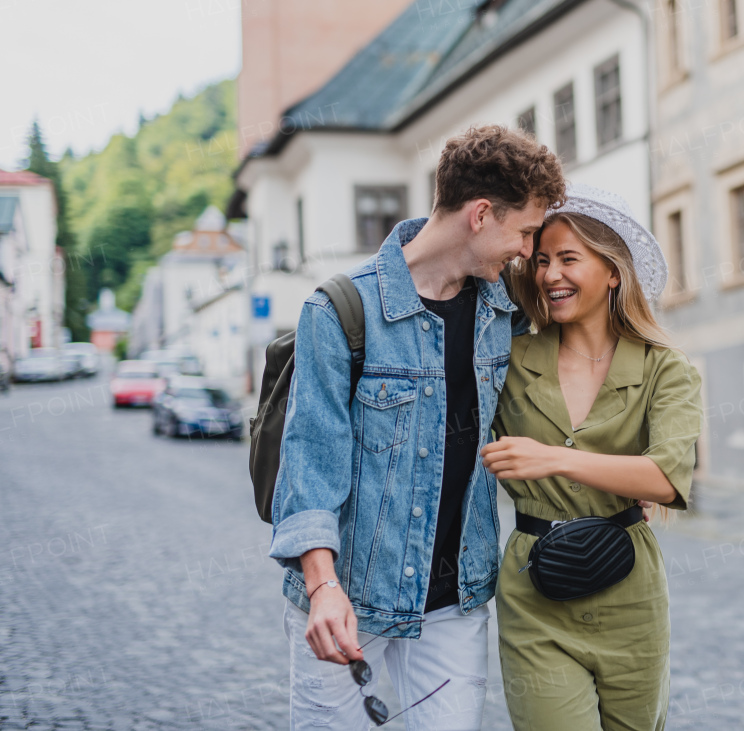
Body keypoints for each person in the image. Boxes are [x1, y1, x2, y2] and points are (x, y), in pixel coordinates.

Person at [267, 125, 567, 730]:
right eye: (527, 231)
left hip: (456, 603)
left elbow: (562, 388)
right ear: (481, 214)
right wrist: (323, 588)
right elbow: (309, 465)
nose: (529, 250)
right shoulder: (341, 310)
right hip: (349, 596)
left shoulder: (502, 311)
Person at [481, 184, 703, 730]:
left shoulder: (666, 368)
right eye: (541, 261)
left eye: (568, 259)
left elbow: (666, 478)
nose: (550, 274)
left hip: (631, 593)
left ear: (612, 271)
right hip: (535, 590)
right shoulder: (504, 360)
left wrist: (551, 459)